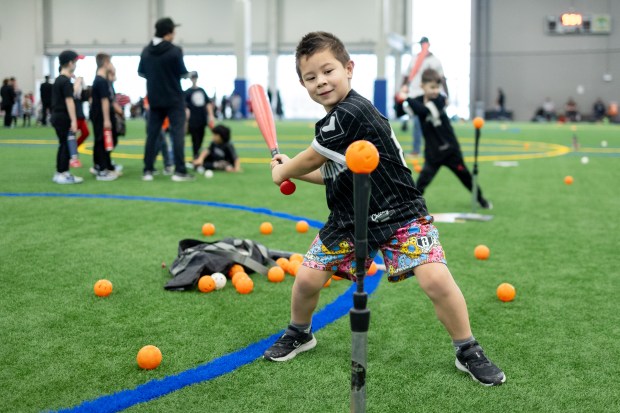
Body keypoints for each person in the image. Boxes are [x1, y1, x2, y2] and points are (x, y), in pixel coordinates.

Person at [264, 31, 505, 387]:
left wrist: (282, 171)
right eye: (311, 77)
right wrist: (292, 171)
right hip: (349, 217)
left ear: (349, 68)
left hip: (400, 212)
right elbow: (330, 169)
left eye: (328, 71)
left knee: (436, 278)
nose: (321, 82)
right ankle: (300, 331)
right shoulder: (334, 122)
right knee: (306, 279)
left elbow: (311, 156)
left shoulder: (351, 112)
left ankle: (467, 348)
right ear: (303, 84)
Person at [407, 68, 492, 210]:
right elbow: (401, 109)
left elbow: (423, 111)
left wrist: (407, 98)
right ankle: (411, 207)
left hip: (450, 150)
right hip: (433, 153)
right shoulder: (417, 101)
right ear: (422, 86)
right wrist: (401, 98)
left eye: (437, 87)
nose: (435, 90)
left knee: (466, 177)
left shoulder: (440, 100)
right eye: (432, 87)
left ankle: (481, 199)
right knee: (422, 182)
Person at [138, 17, 195, 182]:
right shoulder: (175, 51)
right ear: (168, 33)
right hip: (174, 99)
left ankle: (147, 170)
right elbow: (183, 73)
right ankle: (179, 171)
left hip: (154, 99)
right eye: (173, 31)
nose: (175, 34)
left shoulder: (146, 51)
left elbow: (141, 73)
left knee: (152, 135)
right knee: (177, 134)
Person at [399, 37, 448, 157]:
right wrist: (403, 87)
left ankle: (434, 147)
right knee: (417, 121)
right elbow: (407, 75)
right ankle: (417, 149)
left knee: (433, 122)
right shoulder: (414, 59)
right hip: (415, 94)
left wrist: (446, 95)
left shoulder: (435, 60)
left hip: (430, 95)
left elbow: (442, 78)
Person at [51, 50, 84, 184]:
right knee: (65, 145)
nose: (76, 65)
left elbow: (71, 93)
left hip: (57, 116)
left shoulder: (60, 80)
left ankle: (60, 172)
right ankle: (63, 173)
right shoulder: (65, 82)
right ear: (70, 63)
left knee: (62, 144)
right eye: (75, 62)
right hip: (63, 117)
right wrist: (74, 121)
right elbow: (69, 101)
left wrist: (76, 82)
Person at [89, 53, 119, 181]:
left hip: (99, 115)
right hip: (100, 116)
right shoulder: (100, 81)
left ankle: (103, 166)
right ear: (106, 62)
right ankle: (102, 170)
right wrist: (107, 119)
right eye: (110, 62)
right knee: (101, 141)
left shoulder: (102, 80)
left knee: (102, 141)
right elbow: (104, 101)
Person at [185, 72, 215, 160]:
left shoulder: (201, 90)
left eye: (195, 77)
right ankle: (196, 156)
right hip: (192, 120)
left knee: (201, 136)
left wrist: (211, 115)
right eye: (192, 77)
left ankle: (197, 155)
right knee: (195, 138)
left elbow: (208, 104)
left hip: (202, 119)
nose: (194, 79)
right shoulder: (187, 92)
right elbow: (185, 108)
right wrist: (186, 121)